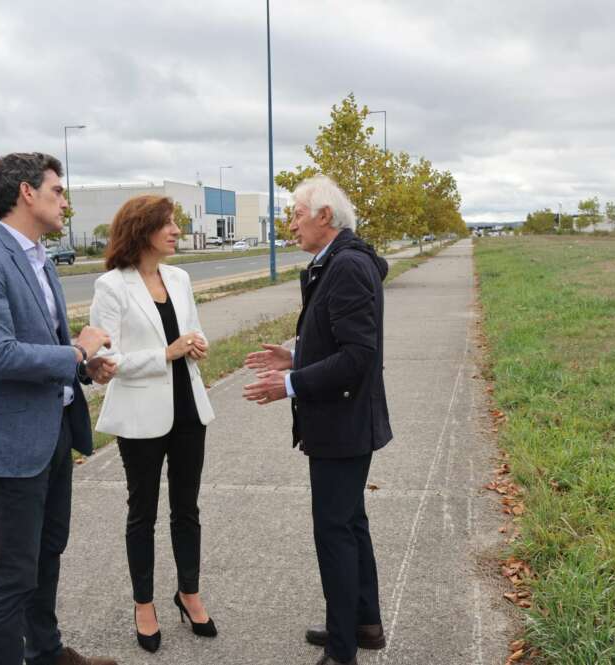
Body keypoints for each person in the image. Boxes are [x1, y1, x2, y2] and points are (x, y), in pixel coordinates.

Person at [0, 152, 120, 665]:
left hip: (54, 435)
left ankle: (46, 653)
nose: (64, 201)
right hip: (12, 445)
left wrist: (82, 369)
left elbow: (44, 347)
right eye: (57, 191)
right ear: (27, 193)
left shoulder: (41, 259)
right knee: (13, 573)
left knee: (47, 557)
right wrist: (77, 351)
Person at [243, 175, 392, 665]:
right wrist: (296, 355)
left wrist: (289, 384)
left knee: (334, 531)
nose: (291, 226)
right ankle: (363, 624)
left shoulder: (346, 266)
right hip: (344, 421)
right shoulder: (334, 261)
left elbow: (357, 356)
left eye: (295, 215)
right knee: (350, 522)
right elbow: (337, 337)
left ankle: (342, 647)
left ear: (324, 217)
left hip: (342, 424)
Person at [89, 195, 217, 653]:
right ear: (143, 230)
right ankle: (144, 604)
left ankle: (189, 592)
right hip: (141, 416)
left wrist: (195, 346)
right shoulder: (112, 286)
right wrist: (166, 353)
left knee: (188, 509)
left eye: (177, 224)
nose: (177, 231)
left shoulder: (180, 278)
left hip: (189, 410)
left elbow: (193, 332)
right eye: (169, 224)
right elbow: (106, 359)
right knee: (141, 513)